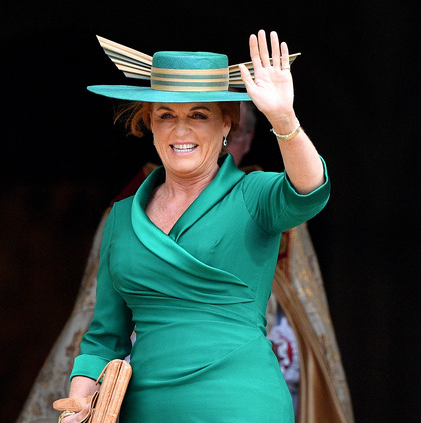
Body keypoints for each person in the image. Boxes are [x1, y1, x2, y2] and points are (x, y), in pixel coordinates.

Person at [59, 30, 329, 423]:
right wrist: (79, 405)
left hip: (244, 406)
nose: (180, 130)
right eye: (166, 115)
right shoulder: (121, 218)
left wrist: (283, 117)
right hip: (147, 411)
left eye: (198, 115)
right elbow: (103, 339)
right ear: (150, 125)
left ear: (226, 127)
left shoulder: (252, 195)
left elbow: (310, 189)